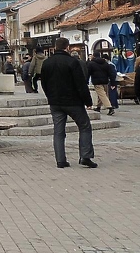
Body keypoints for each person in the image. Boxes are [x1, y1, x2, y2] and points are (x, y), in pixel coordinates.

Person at [39, 37, 97, 169]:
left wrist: (50, 96)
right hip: (73, 102)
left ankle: (60, 160)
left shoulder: (47, 63)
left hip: (55, 102)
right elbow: (80, 83)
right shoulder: (72, 62)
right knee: (84, 126)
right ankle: (85, 156)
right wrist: (88, 101)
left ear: (55, 47)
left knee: (58, 131)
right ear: (67, 47)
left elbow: (44, 83)